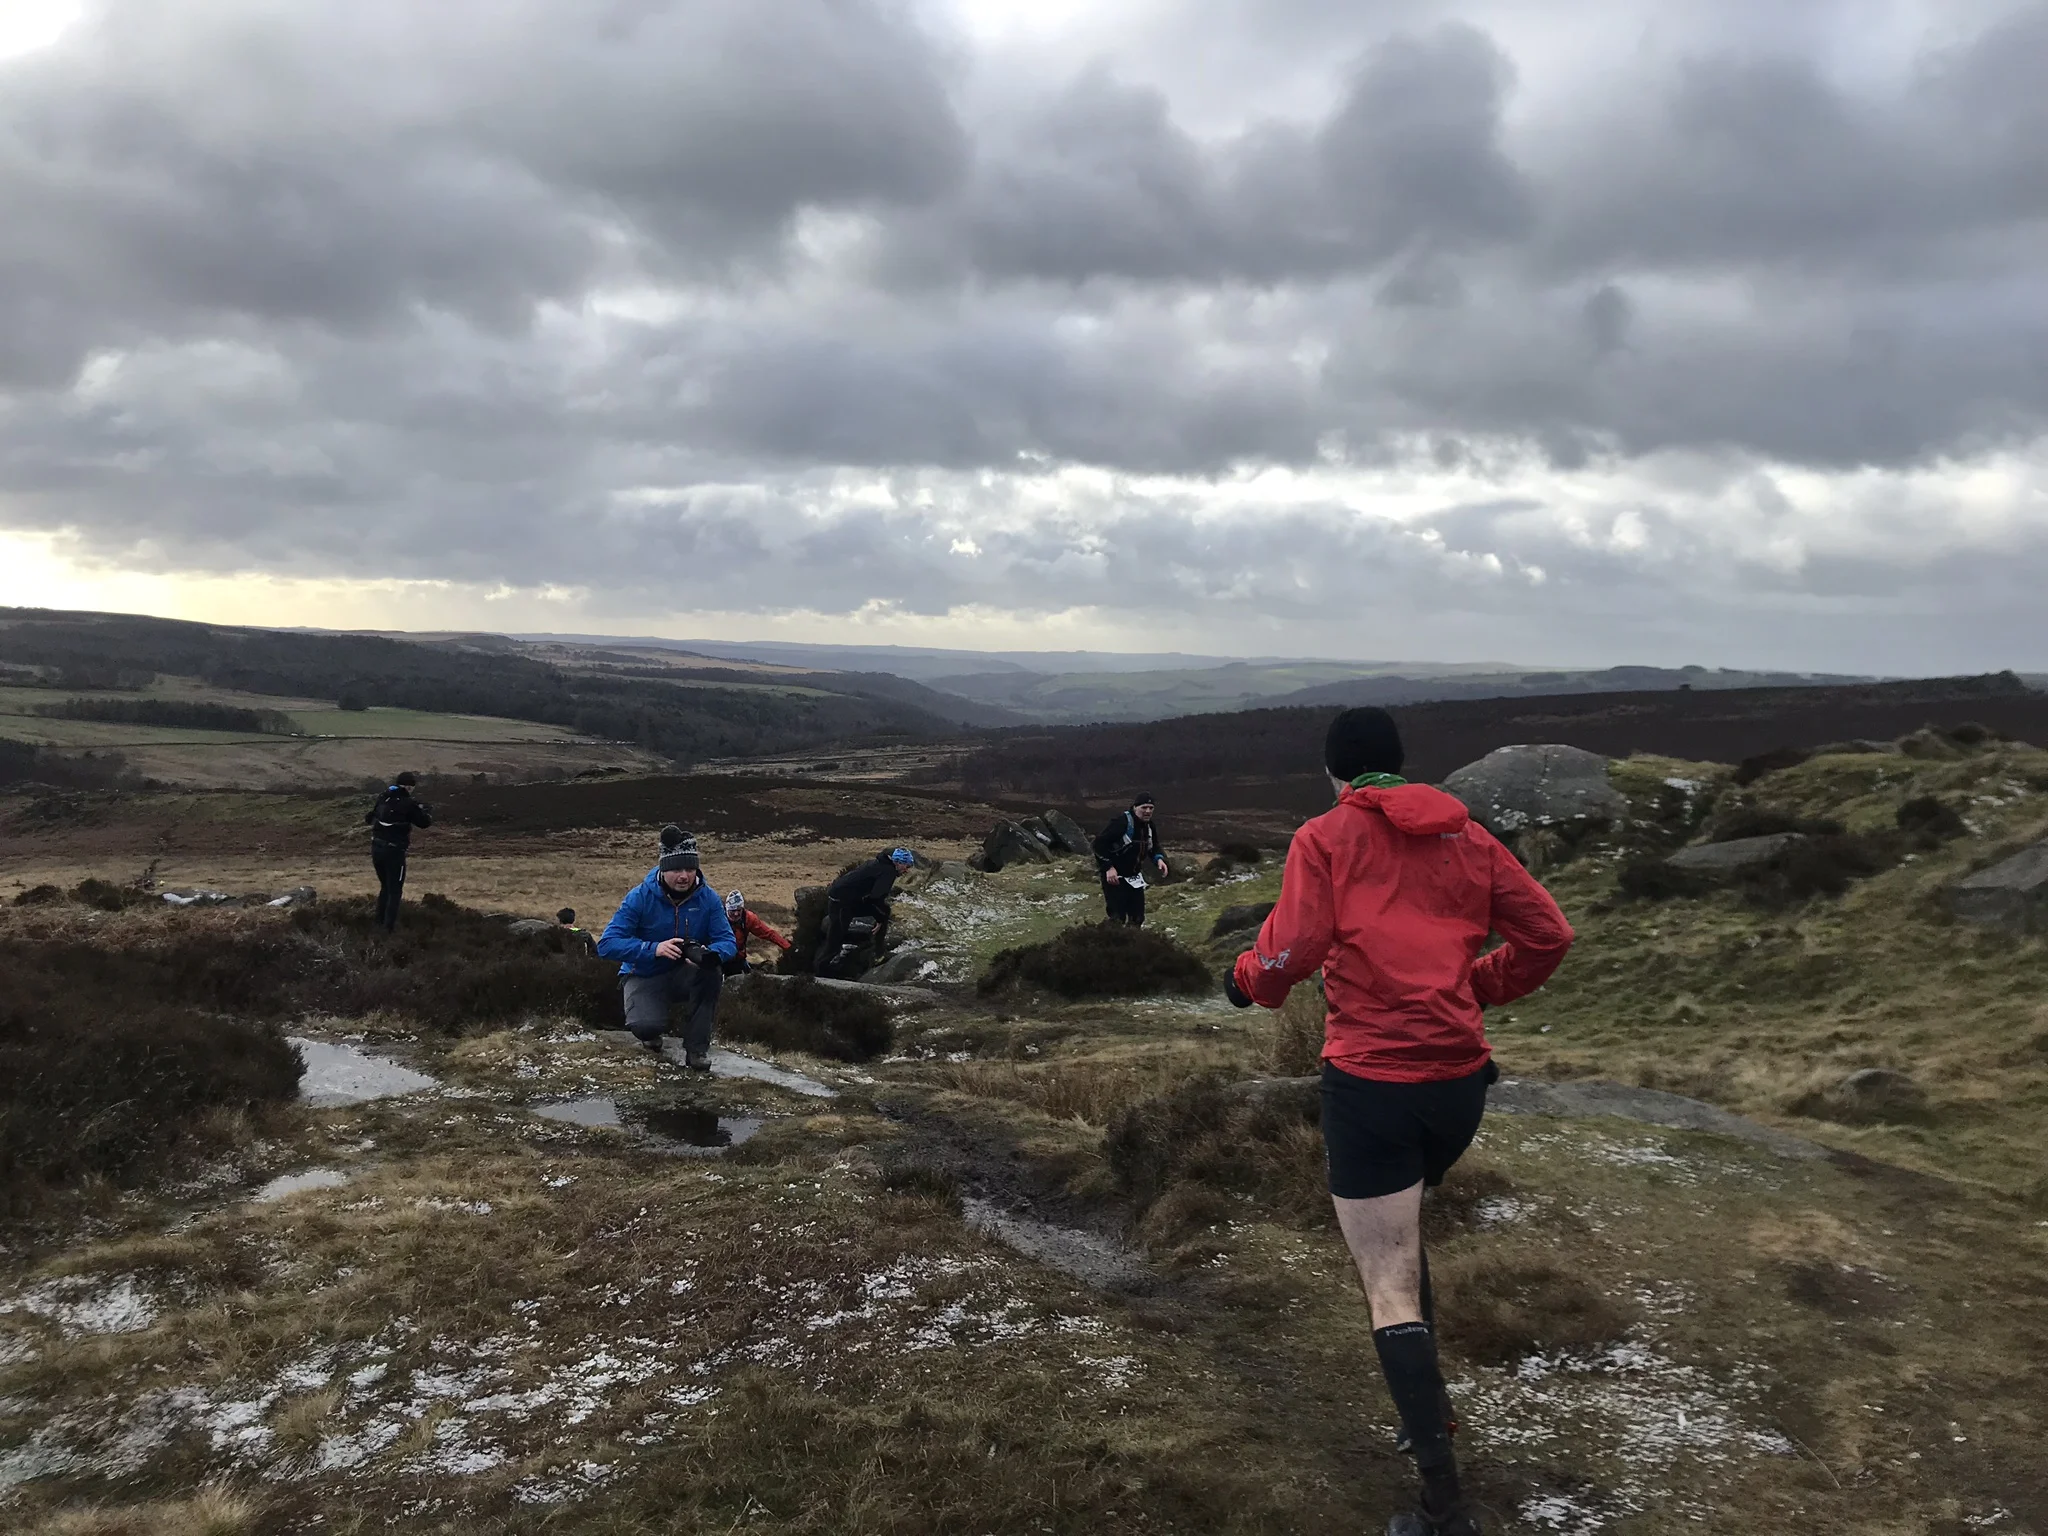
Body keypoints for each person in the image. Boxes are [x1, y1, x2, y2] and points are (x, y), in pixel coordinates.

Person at [1224, 708, 1575, 1536]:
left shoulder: (1327, 836)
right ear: (1400, 767)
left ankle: (1443, 1509)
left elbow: (1290, 951)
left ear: (1336, 774)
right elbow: (1548, 935)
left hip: (1374, 1083)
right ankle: (1425, 1415)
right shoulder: (1469, 836)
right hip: (1459, 1086)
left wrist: (1246, 980)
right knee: (1405, 1245)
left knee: (1386, 1279)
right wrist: (1477, 988)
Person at [596, 830, 738, 1069]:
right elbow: (607, 944)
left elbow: (728, 941)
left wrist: (708, 954)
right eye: (676, 869)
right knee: (645, 1026)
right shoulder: (640, 897)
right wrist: (653, 949)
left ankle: (697, 1051)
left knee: (711, 973)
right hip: (644, 973)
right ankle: (651, 1034)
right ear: (663, 869)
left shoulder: (709, 898)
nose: (684, 876)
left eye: (690, 869)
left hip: (685, 974)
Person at [816, 847, 916, 973]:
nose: (906, 870)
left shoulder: (879, 863)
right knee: (834, 941)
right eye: (906, 866)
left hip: (844, 900)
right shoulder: (888, 872)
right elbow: (875, 898)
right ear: (898, 862)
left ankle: (877, 953)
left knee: (883, 911)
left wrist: (879, 915)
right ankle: (820, 973)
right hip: (842, 903)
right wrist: (879, 918)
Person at [363, 772, 433, 933]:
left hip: (376, 848)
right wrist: (426, 811)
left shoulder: (383, 797)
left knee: (385, 887)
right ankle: (388, 931)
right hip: (394, 851)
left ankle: (378, 923)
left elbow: (369, 818)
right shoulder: (409, 804)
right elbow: (424, 823)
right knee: (395, 890)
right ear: (409, 787)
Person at [1093, 794, 1168, 926]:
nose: (1148, 811)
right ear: (1135, 807)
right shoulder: (1122, 822)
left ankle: (1134, 945)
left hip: (1135, 877)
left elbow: (1154, 846)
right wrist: (1108, 868)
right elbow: (1098, 844)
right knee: (1117, 919)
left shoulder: (1150, 826)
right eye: (1144, 807)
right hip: (1115, 878)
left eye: (1151, 808)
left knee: (1137, 918)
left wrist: (1159, 859)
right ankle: (1109, 944)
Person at [721, 889, 793, 976]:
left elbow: (768, 933)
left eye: (739, 910)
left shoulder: (748, 919)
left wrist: (788, 947)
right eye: (732, 911)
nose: (736, 914)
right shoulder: (718, 918)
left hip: (738, 960)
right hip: (719, 959)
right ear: (726, 909)